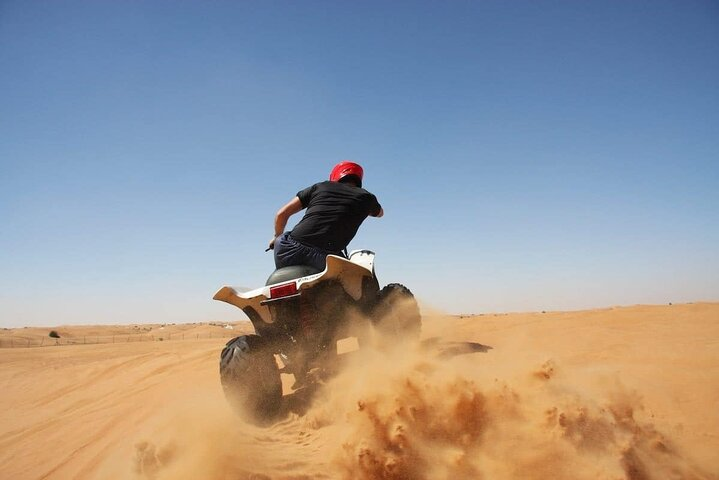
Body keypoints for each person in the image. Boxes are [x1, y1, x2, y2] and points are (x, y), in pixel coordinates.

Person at [268, 161, 383, 271]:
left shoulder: (320, 187)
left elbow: (281, 214)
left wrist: (276, 237)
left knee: (284, 236)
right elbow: (380, 213)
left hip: (290, 250)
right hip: (328, 259)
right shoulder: (367, 197)